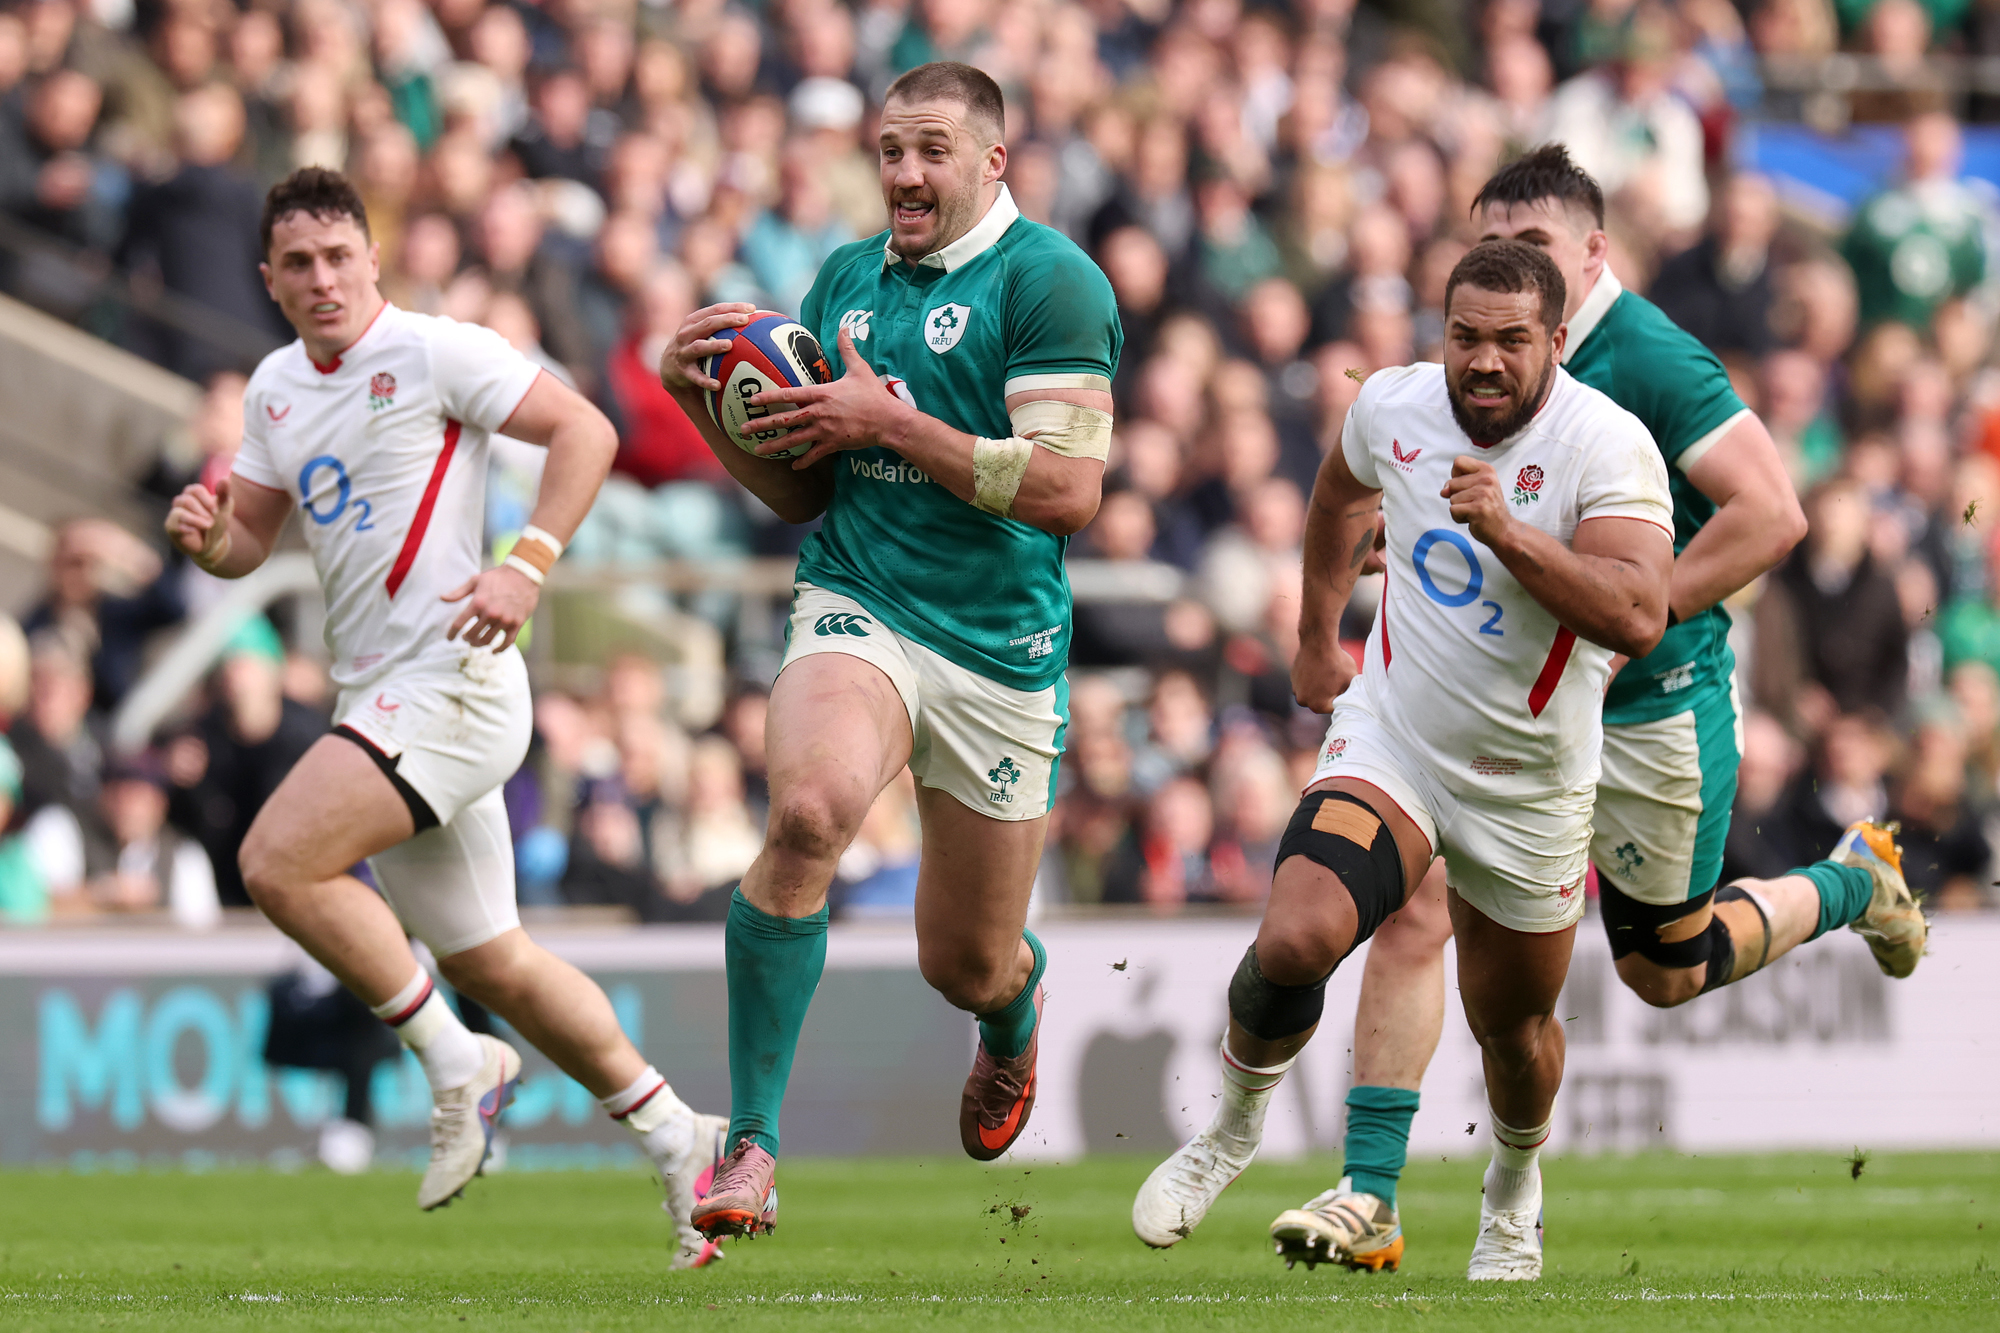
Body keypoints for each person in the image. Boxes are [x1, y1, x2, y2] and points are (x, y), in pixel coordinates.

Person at [1231, 147, 1929, 1279]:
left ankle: (1853, 879)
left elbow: (1771, 512)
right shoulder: (1472, 366)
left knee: (1662, 965)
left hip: (1647, 706)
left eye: (1541, 249)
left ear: (1592, 256)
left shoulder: (1646, 362)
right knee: (1410, 904)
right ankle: (1370, 1191)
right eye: (1490, 248)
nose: (1514, 271)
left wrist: (1617, 622)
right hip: (1492, 712)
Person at [161, 167, 726, 1269]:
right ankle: (679, 1136)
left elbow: (587, 431)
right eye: (300, 264)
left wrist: (528, 562)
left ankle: (455, 1061)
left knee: (277, 862)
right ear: (269, 280)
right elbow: (252, 539)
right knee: (496, 962)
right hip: (377, 689)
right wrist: (207, 538)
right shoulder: (275, 388)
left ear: (371, 258)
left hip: (454, 680)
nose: (324, 278)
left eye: (340, 256)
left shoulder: (433, 350)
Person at [1130, 239, 1676, 1277]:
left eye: (1510, 341)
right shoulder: (1392, 406)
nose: (1481, 361)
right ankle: (1233, 1131)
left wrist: (1509, 536)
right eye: (1463, 335)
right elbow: (1338, 492)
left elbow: (1640, 612)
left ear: (1556, 341)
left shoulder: (1606, 446)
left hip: (1529, 785)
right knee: (1295, 936)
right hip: (1395, 740)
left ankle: (1512, 1180)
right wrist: (1312, 634)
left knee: (1511, 1034)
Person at [658, 62, 1119, 1238]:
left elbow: (1066, 490)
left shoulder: (1051, 281)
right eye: (888, 151)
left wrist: (892, 423)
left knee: (964, 963)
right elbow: (801, 493)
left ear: (990, 162)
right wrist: (704, 407)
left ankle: (1009, 1023)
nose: (904, 174)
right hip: (857, 600)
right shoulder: (844, 281)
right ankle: (751, 1143)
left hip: (999, 647)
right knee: (808, 813)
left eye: (930, 151)